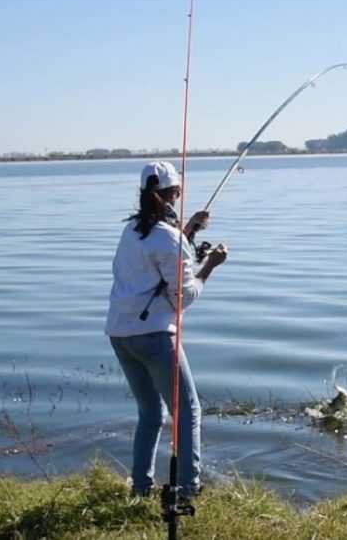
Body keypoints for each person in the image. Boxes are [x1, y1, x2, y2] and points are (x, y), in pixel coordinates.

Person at [105, 161, 227, 498]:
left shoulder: (130, 231)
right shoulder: (169, 238)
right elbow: (183, 298)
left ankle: (141, 488)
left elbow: (159, 254)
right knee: (188, 413)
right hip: (156, 337)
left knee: (150, 413)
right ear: (173, 194)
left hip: (120, 334)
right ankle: (188, 489)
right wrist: (209, 267)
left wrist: (189, 231)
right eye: (178, 191)